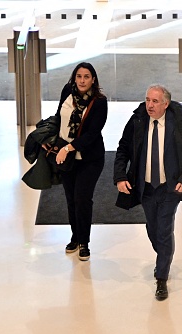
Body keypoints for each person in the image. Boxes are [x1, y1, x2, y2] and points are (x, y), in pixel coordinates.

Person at [114, 84, 182, 301]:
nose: (149, 105)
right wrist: (120, 177)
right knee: (153, 229)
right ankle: (163, 256)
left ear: (165, 104)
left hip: (169, 188)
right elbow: (123, 148)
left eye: (154, 101)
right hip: (146, 188)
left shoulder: (179, 122)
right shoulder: (138, 121)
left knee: (164, 230)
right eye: (147, 100)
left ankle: (161, 278)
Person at [52, 62, 108, 259]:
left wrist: (67, 148)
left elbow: (92, 134)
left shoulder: (100, 102)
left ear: (93, 79)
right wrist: (49, 140)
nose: (82, 80)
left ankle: (84, 242)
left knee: (82, 199)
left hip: (89, 158)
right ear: (74, 78)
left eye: (86, 77)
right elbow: (59, 117)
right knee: (70, 198)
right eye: (79, 76)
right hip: (67, 158)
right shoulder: (67, 91)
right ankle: (75, 237)